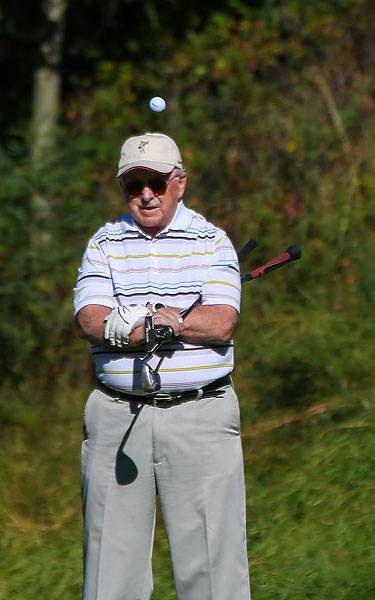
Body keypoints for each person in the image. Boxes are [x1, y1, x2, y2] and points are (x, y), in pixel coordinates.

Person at [73, 132, 250, 600]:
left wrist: (168, 322)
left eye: (156, 182)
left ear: (180, 183)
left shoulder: (213, 242)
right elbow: (89, 318)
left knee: (213, 576)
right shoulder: (104, 243)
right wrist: (149, 326)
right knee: (109, 579)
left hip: (200, 416)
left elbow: (221, 322)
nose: (146, 194)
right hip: (116, 415)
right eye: (134, 185)